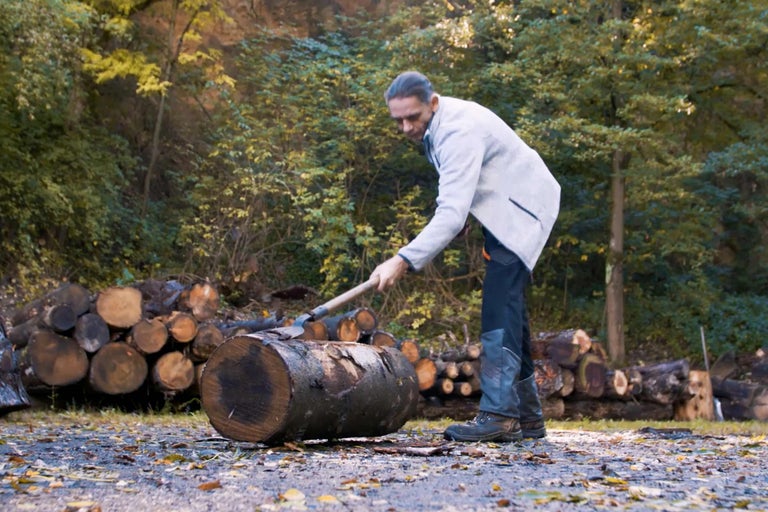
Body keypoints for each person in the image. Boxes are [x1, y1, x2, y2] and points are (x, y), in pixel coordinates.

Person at [370, 71, 561, 442]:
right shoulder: (441, 126)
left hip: (523, 213)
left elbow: (451, 211)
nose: (407, 127)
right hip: (508, 211)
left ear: (433, 104)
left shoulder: (457, 131)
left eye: (414, 117)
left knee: (498, 310)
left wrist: (402, 259)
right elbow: (465, 190)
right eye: (399, 120)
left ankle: (499, 415)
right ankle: (527, 418)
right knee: (511, 314)